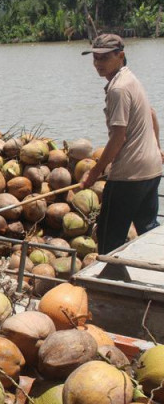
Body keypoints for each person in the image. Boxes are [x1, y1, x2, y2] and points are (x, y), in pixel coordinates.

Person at [80, 34, 163, 254]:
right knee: (148, 229)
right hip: (152, 169)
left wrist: (95, 172)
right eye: (95, 58)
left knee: (109, 235)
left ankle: (111, 285)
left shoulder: (118, 89)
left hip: (129, 175)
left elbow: (118, 138)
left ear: (121, 56)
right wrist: (157, 148)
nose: (98, 64)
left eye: (104, 58)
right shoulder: (131, 79)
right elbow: (152, 114)